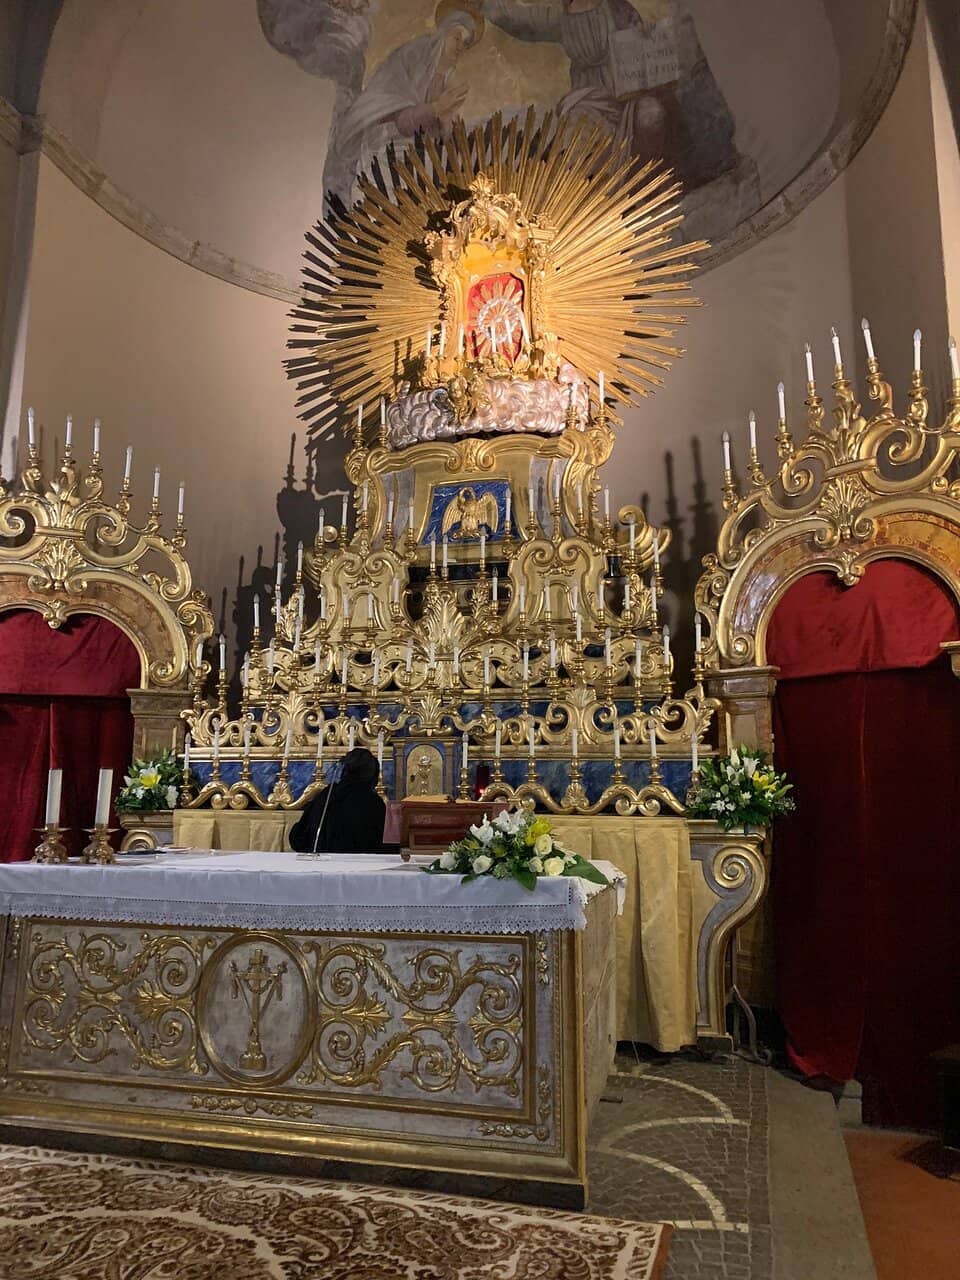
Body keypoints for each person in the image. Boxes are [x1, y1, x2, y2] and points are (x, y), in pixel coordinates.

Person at [325, 3, 483, 205]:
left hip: (423, 157)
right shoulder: (412, 58)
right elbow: (400, 120)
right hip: (386, 146)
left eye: (466, 43)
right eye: (457, 38)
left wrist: (445, 124)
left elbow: (443, 136)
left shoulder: (451, 80)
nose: (460, 46)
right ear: (443, 34)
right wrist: (436, 109)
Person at [289, 747, 386, 853]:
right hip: (362, 862)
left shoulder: (326, 795)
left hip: (324, 861)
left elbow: (299, 838)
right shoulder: (374, 803)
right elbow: (386, 846)